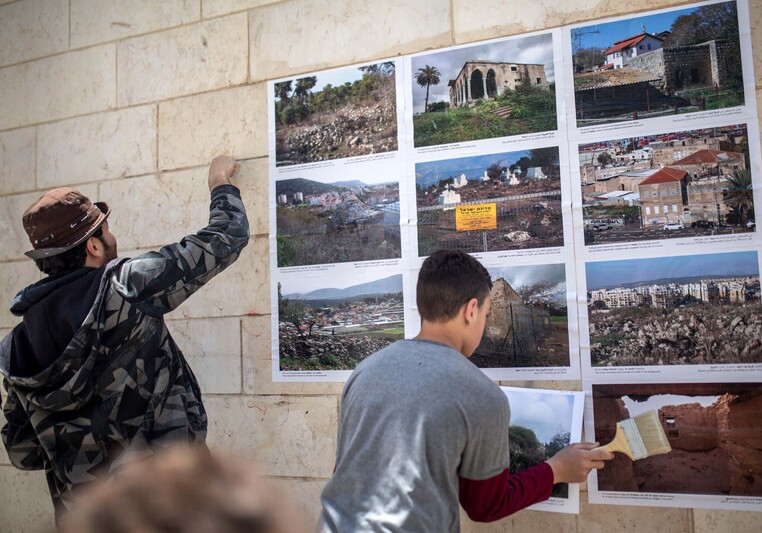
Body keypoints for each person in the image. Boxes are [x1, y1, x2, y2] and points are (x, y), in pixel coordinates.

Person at [0, 155, 249, 519]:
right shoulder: (125, 286)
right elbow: (228, 235)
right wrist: (219, 183)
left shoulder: (17, 346)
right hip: (169, 510)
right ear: (94, 247)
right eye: (105, 230)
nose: (111, 236)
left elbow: (23, 451)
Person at [318, 250, 613, 532]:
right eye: (486, 314)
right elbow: (484, 505)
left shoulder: (364, 371)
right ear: (471, 311)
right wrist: (557, 470)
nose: (483, 324)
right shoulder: (482, 395)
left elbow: (344, 469)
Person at [60, 446, 313, 533]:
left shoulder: (27, 350)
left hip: (95, 499)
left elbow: (24, 454)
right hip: (166, 494)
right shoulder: (147, 334)